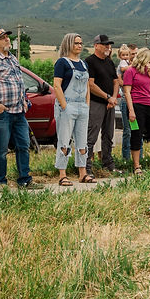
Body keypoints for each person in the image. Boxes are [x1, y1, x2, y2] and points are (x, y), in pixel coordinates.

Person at [0, 28, 44, 189]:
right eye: (2, 38)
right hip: (2, 113)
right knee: (1, 148)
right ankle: (0, 181)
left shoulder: (12, 59)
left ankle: (25, 180)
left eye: (7, 36)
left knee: (23, 145)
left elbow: (19, 83)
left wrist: (25, 101)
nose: (6, 39)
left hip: (19, 112)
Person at [53, 33, 91, 186]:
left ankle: (83, 173)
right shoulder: (62, 63)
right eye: (76, 43)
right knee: (64, 140)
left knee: (82, 141)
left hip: (82, 105)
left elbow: (87, 85)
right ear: (68, 44)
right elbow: (57, 85)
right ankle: (62, 174)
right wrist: (65, 106)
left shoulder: (83, 63)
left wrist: (87, 104)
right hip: (68, 105)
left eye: (81, 43)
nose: (79, 46)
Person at [123, 49, 150, 174]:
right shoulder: (130, 71)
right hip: (136, 105)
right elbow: (127, 92)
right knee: (136, 134)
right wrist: (131, 110)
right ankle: (136, 165)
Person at [85, 34, 119, 172]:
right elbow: (91, 85)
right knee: (91, 135)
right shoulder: (90, 61)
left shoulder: (109, 62)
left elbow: (115, 81)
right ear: (96, 46)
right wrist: (107, 97)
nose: (107, 47)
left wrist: (114, 98)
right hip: (96, 103)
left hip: (110, 103)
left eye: (109, 44)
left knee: (108, 135)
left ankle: (108, 164)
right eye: (105, 44)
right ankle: (86, 166)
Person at [117, 44, 135, 161]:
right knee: (127, 130)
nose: (125, 57)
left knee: (135, 129)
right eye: (123, 55)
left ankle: (137, 156)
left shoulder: (128, 64)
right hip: (125, 99)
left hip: (134, 99)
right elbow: (122, 78)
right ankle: (126, 157)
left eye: (127, 55)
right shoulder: (123, 65)